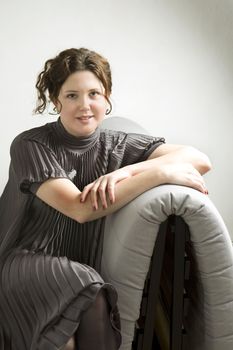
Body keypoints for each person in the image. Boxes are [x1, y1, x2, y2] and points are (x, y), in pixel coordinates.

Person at [0, 47, 211, 350]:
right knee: (92, 293)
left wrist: (126, 172)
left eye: (94, 94)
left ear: (107, 96)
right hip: (24, 262)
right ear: (56, 99)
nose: (84, 106)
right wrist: (157, 175)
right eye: (72, 95)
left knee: (84, 310)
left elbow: (199, 159)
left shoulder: (117, 145)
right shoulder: (31, 145)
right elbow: (79, 208)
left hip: (78, 269)